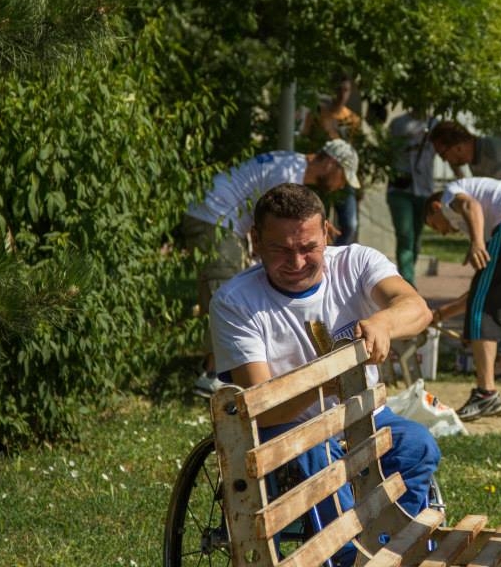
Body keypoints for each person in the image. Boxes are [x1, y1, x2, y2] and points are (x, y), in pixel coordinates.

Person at [209, 183, 441, 566]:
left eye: (308, 248)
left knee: (417, 446)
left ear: (327, 234)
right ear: (255, 241)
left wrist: (382, 323)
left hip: (362, 415)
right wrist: (327, 383)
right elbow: (261, 409)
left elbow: (417, 308)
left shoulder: (357, 263)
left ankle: (396, 547)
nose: (297, 262)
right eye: (281, 249)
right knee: (320, 458)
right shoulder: (236, 302)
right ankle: (349, 556)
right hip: (289, 428)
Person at [182, 141, 360, 397]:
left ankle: (222, 371)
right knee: (225, 289)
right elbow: (272, 223)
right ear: (332, 164)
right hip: (215, 218)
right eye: (342, 177)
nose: (340, 185)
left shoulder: (290, 163)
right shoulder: (288, 175)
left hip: (216, 216)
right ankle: (213, 376)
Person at [424, 177, 501, 420]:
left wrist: (477, 243)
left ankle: (485, 394)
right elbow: (484, 293)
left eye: (435, 226)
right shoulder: (492, 211)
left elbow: (471, 206)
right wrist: (440, 314)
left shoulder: (451, 193)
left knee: (485, 311)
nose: (443, 233)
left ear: (436, 208)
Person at [301, 72, 363, 246]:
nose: (342, 94)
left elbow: (354, 149)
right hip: (321, 174)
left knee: (350, 224)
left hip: (343, 172)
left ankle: (337, 254)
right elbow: (305, 137)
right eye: (339, 89)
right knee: (319, 221)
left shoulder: (352, 119)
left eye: (346, 90)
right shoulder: (318, 113)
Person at [385, 109, 436, 286]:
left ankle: (407, 276)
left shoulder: (434, 124)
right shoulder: (398, 123)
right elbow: (387, 152)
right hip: (400, 188)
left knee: (416, 238)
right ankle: (408, 281)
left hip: (424, 189)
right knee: (405, 235)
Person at [428, 120, 501, 191]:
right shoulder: (476, 158)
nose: (444, 160)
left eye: (442, 154)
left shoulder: (494, 154)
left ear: (458, 147)